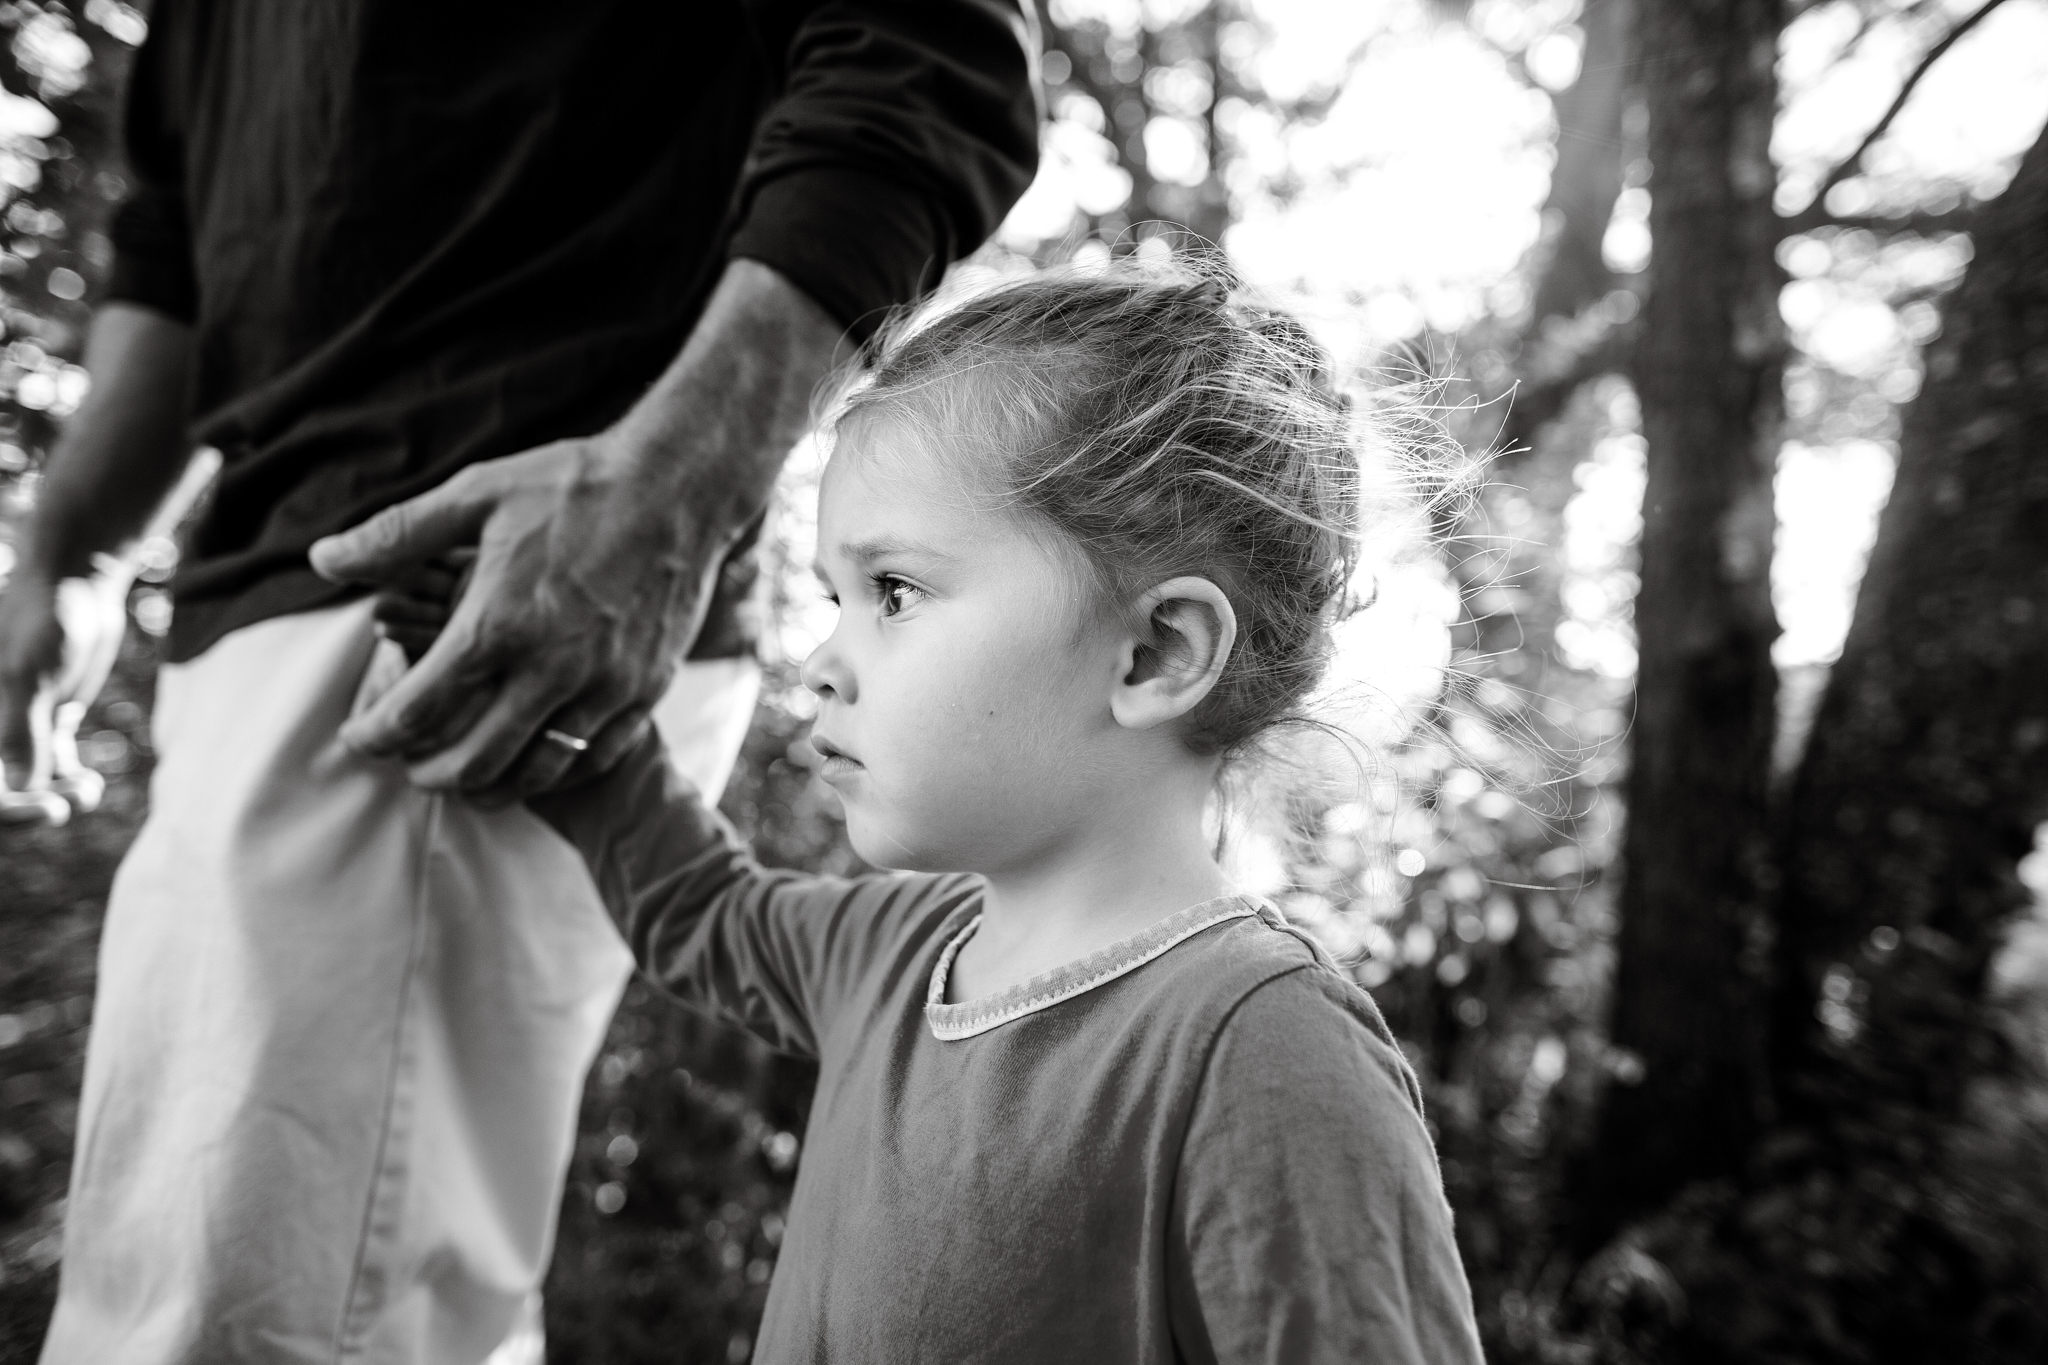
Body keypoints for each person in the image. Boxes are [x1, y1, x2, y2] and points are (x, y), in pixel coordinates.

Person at [0, 3, 1037, 1361]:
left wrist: (664, 487)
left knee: (258, 1319)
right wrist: (63, 550)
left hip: (486, 602)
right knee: (188, 1286)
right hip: (260, 615)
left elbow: (925, 49)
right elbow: (179, 245)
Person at [348, 263, 1488, 1362]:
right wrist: (539, 679)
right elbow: (696, 906)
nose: (820, 663)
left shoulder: (1258, 1048)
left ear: (1153, 652)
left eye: (891, 592)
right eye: (830, 599)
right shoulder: (891, 948)